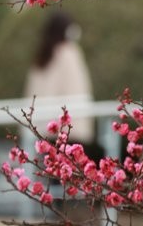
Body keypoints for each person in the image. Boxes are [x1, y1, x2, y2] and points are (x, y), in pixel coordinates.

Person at [25, 13, 94, 146]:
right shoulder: (69, 52)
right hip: (68, 129)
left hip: (40, 127)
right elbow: (78, 90)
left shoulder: (43, 54)